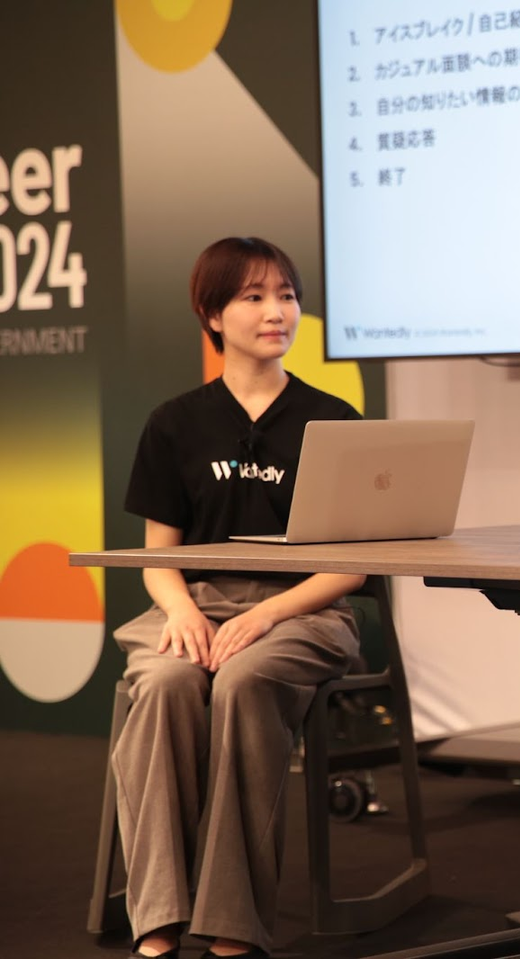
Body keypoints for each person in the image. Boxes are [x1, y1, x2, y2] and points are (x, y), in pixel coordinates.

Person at [113, 237, 367, 959]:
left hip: (305, 609)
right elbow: (158, 559)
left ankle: (231, 925)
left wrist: (265, 614)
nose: (275, 311)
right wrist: (182, 611)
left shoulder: (335, 418)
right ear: (212, 314)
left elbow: (350, 570)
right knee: (165, 682)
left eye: (286, 295)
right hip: (194, 601)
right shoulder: (174, 422)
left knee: (244, 682)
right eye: (253, 296)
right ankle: (157, 919)